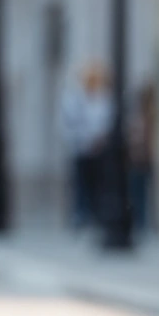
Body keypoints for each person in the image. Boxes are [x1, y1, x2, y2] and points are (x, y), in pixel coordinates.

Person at [61, 62, 114, 230]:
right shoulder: (75, 99)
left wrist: (101, 139)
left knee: (97, 184)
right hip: (81, 149)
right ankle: (81, 214)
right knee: (81, 184)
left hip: (99, 150)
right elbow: (68, 123)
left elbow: (107, 121)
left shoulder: (103, 99)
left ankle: (96, 213)